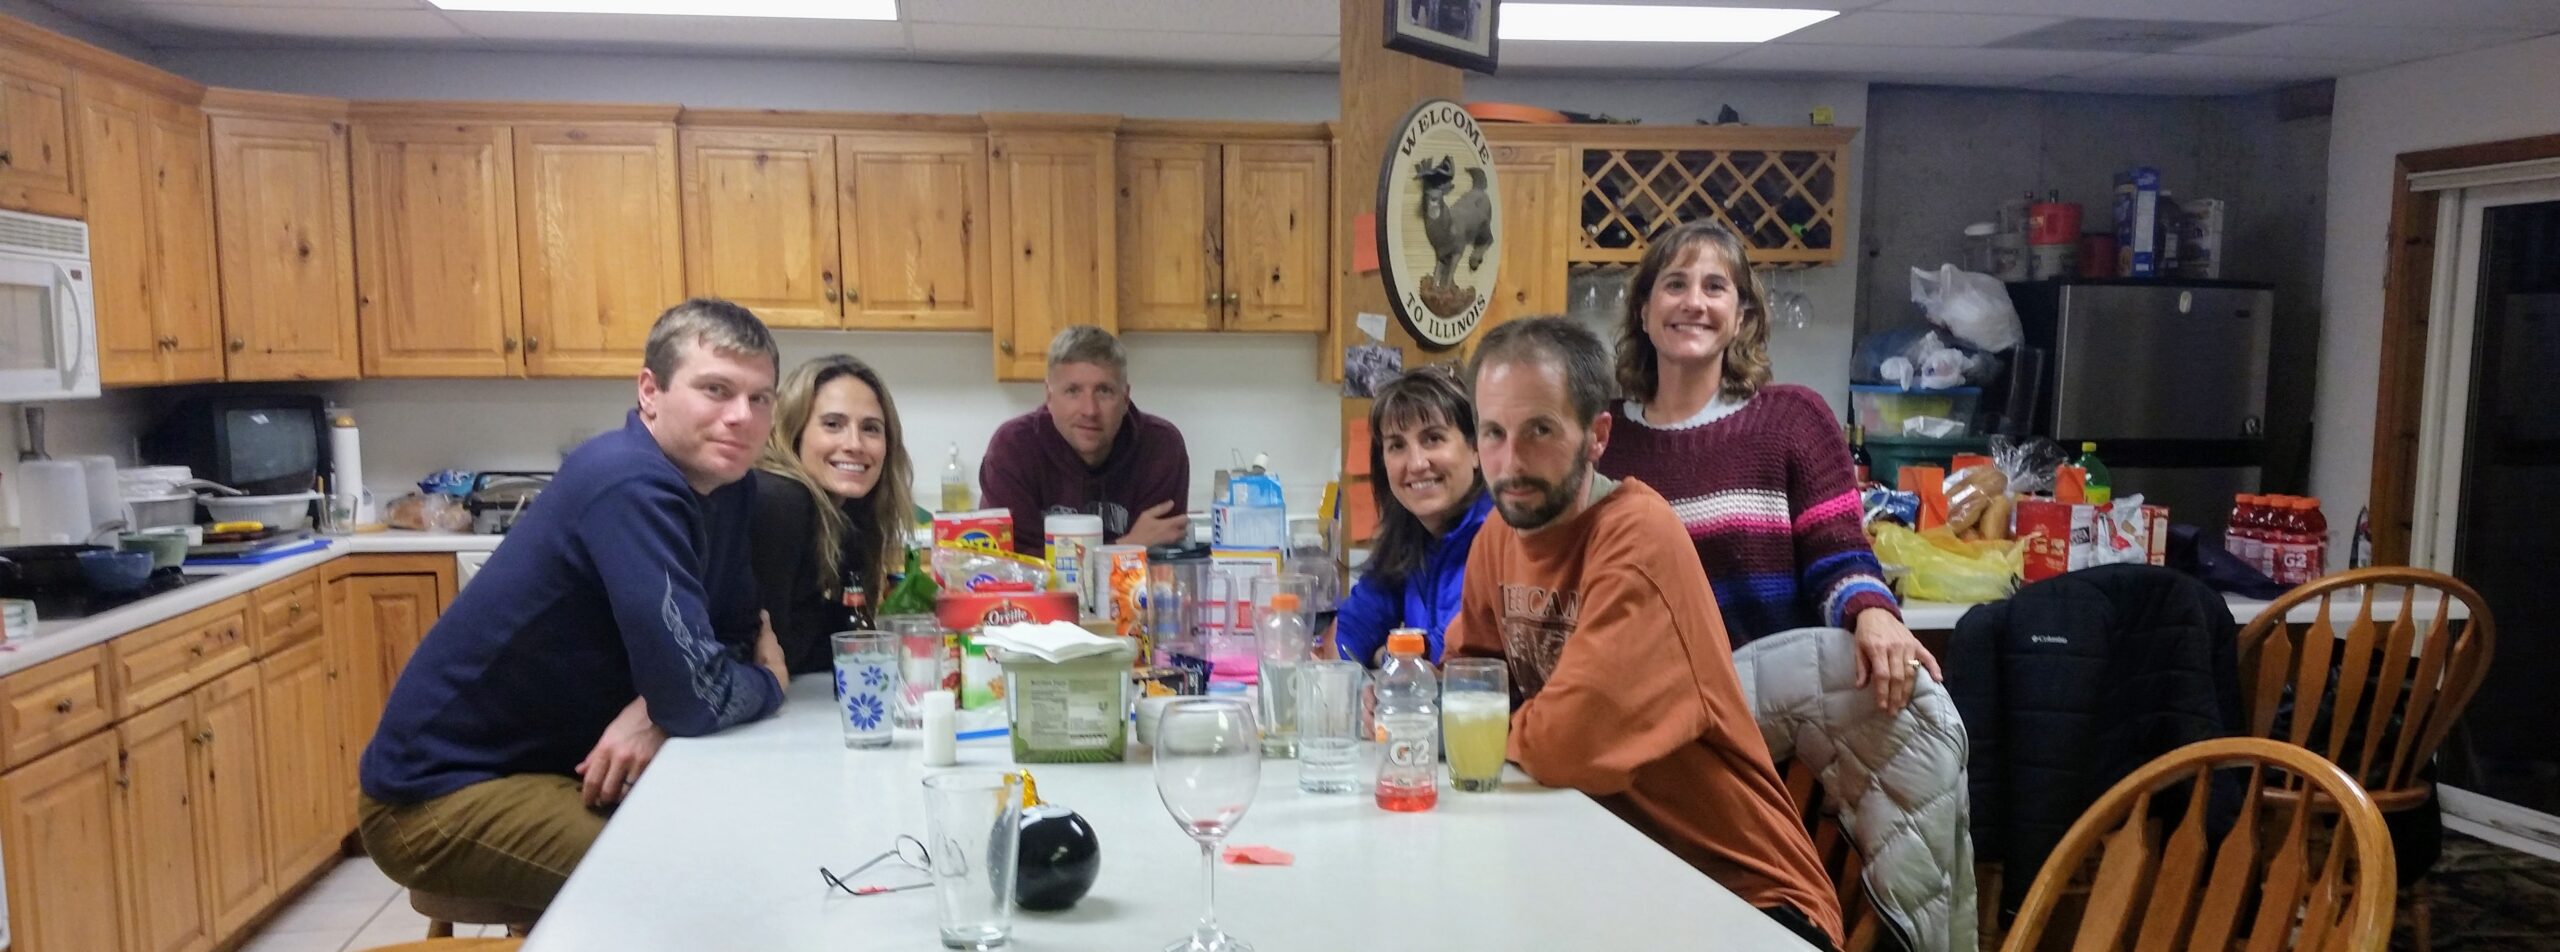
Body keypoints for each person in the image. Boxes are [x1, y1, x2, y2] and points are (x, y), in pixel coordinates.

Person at [357, 299, 791, 912]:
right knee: (693, 888)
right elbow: (702, 692)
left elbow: (728, 634)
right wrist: (766, 683)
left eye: (760, 399)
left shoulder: (727, 486)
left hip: (555, 766)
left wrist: (657, 708)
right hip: (438, 795)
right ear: (650, 391)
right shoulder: (629, 483)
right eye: (715, 390)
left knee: (742, 839)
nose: (740, 417)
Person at [1447, 316, 1844, 951]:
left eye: (1540, 430)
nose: (1511, 461)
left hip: (1746, 903)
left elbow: (1565, 744)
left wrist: (1488, 729)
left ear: (1597, 435)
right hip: (1615, 882)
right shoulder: (1499, 537)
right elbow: (1464, 685)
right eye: (1493, 433)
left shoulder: (1636, 537)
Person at [1596, 219, 1940, 712]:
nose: (1694, 302)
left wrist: (1872, 611)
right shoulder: (1605, 437)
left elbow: (1837, 552)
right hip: (1637, 712)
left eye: (1715, 287)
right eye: (1675, 284)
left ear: (1740, 318)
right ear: (1644, 312)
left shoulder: (1791, 420)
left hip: (1767, 721)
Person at [749, 354, 916, 676]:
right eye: (832, 425)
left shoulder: (847, 517)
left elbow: (838, 646)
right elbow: (768, 658)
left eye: (870, 428)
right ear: (794, 431)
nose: (854, 444)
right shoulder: (781, 502)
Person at [979, 324, 1190, 554]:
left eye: (1104, 391)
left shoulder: (1159, 449)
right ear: (1049, 396)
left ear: (1126, 397)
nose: (1090, 410)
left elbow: (1160, 559)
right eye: (1073, 391)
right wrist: (1128, 546)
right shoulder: (1013, 449)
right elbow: (1014, 565)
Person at [1331, 365, 1489, 666]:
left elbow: (1456, 655)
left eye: (1433, 439)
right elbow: (1349, 633)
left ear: (1475, 449)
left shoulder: (1501, 537)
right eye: (1397, 445)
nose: (1416, 463)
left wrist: (1384, 655)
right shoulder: (1408, 539)